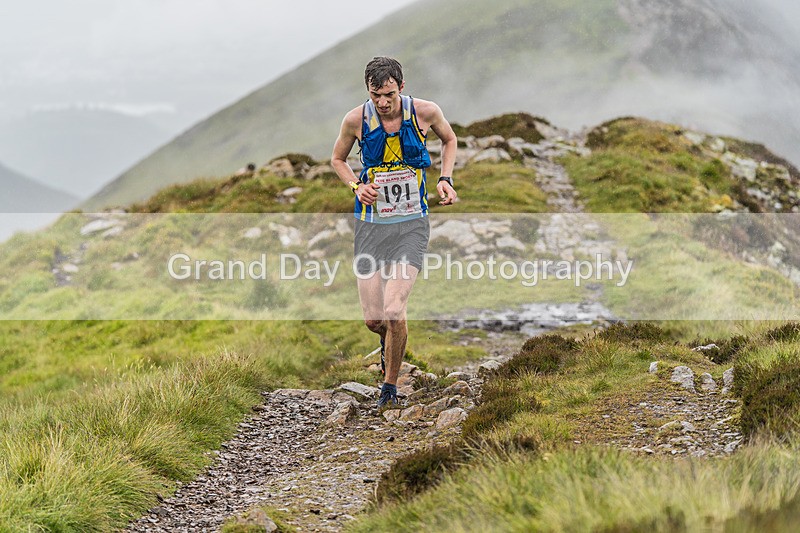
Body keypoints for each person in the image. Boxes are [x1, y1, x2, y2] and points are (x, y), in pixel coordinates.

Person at [331, 56, 458, 408]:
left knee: (393, 307)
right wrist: (356, 186)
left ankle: (389, 386)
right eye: (375, 96)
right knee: (374, 319)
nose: (383, 102)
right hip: (370, 226)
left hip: (411, 225)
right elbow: (337, 160)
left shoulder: (425, 112)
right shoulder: (356, 120)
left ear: (401, 87)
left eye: (388, 94)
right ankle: (392, 346)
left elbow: (449, 140)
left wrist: (445, 179)